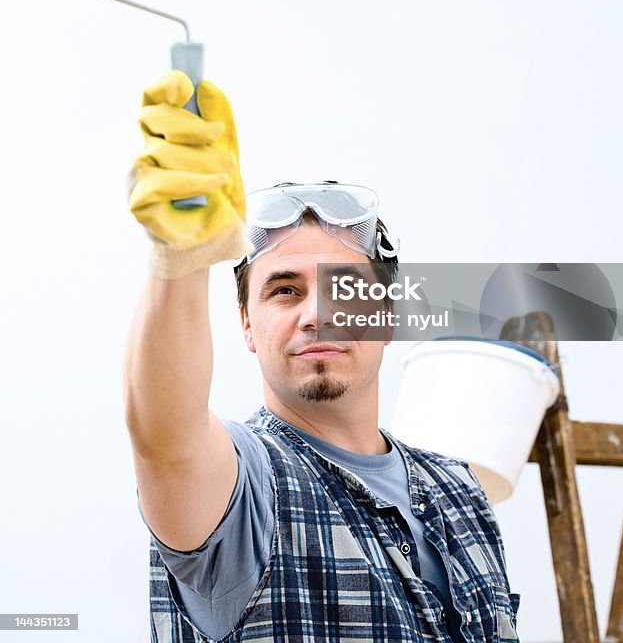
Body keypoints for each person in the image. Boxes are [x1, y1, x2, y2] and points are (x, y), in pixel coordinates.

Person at [125, 71, 521, 643]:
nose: (317, 314)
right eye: (284, 290)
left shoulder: (460, 492)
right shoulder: (243, 491)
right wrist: (179, 255)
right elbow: (165, 437)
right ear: (247, 326)